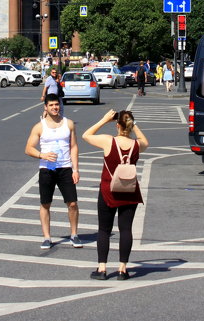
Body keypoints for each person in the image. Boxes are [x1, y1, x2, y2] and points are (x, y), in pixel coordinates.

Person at [82, 109, 149, 280]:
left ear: (117, 125)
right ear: (129, 125)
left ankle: (102, 269)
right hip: (129, 190)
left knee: (104, 230)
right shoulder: (136, 145)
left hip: (108, 190)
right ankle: (122, 269)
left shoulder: (108, 141)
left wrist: (104, 119)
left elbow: (86, 135)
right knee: (126, 229)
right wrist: (134, 125)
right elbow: (145, 142)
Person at [24, 93, 81, 250]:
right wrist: (42, 155)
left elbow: (74, 147)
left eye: (57, 105)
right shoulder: (39, 127)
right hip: (47, 169)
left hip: (65, 168)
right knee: (45, 203)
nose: (55, 107)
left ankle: (74, 235)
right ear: (46, 107)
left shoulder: (68, 124)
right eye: (51, 105)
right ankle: (47, 237)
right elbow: (28, 148)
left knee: (73, 203)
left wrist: (75, 169)